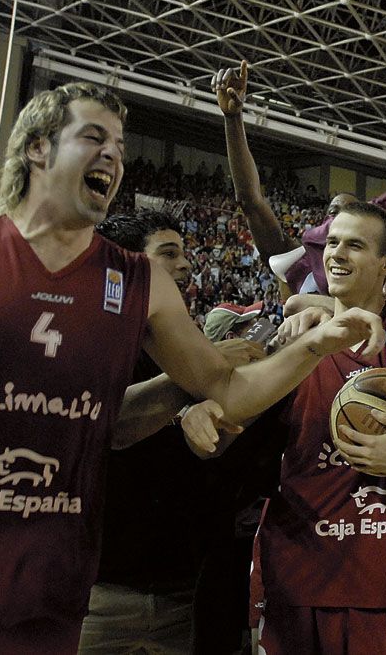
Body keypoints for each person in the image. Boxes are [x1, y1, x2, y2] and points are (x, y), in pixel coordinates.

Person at [0, 81, 382, 653]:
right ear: (36, 148)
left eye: (120, 146)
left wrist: (314, 345)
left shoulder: (139, 284)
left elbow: (225, 391)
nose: (114, 155)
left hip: (43, 598)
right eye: (93, 137)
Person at [205, 201, 386, 654]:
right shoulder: (296, 338)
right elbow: (232, 418)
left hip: (385, 574)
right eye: (332, 242)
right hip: (298, 569)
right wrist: (196, 412)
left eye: (354, 245)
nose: (336, 254)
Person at [79, 210, 262, 655]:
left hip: (182, 593)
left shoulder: (191, 344)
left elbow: (217, 449)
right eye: (168, 254)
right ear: (126, 266)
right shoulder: (87, 342)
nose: (184, 265)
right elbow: (112, 424)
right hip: (97, 596)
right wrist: (198, 376)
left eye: (184, 253)